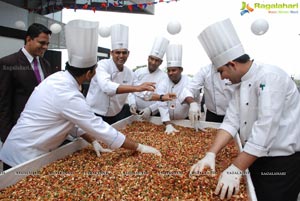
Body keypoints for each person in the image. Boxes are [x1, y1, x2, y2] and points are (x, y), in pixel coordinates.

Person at [0, 19, 161, 170]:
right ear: (90, 73)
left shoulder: (59, 78)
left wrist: (92, 141)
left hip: (28, 151)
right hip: (22, 156)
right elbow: (98, 126)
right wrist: (139, 147)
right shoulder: (68, 93)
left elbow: (73, 121)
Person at [189, 18, 300, 201]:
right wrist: (211, 153)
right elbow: (231, 121)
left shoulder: (270, 77)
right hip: (253, 157)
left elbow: (266, 128)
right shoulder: (240, 86)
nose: (223, 78)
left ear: (232, 64)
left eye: (222, 72)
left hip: (280, 162)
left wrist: (236, 167)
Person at [86, 24, 155, 125]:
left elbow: (143, 94)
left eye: (124, 53)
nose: (121, 56)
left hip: (114, 115)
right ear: (111, 53)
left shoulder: (129, 73)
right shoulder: (102, 65)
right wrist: (137, 88)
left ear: (128, 53)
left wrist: (162, 97)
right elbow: (107, 87)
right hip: (94, 114)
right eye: (118, 52)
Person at [0, 23, 56, 144]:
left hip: (42, 129)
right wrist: (6, 137)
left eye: (47, 44)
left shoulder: (46, 64)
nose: (45, 47)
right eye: (42, 43)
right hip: (18, 130)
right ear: (29, 39)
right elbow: (3, 103)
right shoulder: (9, 63)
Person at [157, 44, 200, 134]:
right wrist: (168, 124)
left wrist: (197, 120)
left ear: (181, 70)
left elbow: (196, 101)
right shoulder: (163, 83)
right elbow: (161, 104)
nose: (170, 73)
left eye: (174, 70)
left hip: (186, 122)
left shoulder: (190, 81)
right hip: (166, 121)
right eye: (168, 70)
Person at [128, 36, 169, 121]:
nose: (153, 62)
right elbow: (131, 90)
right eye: (152, 59)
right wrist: (132, 104)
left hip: (154, 115)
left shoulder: (164, 77)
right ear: (148, 58)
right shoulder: (138, 72)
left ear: (161, 62)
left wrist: (150, 109)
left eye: (157, 60)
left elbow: (163, 98)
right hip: (135, 112)